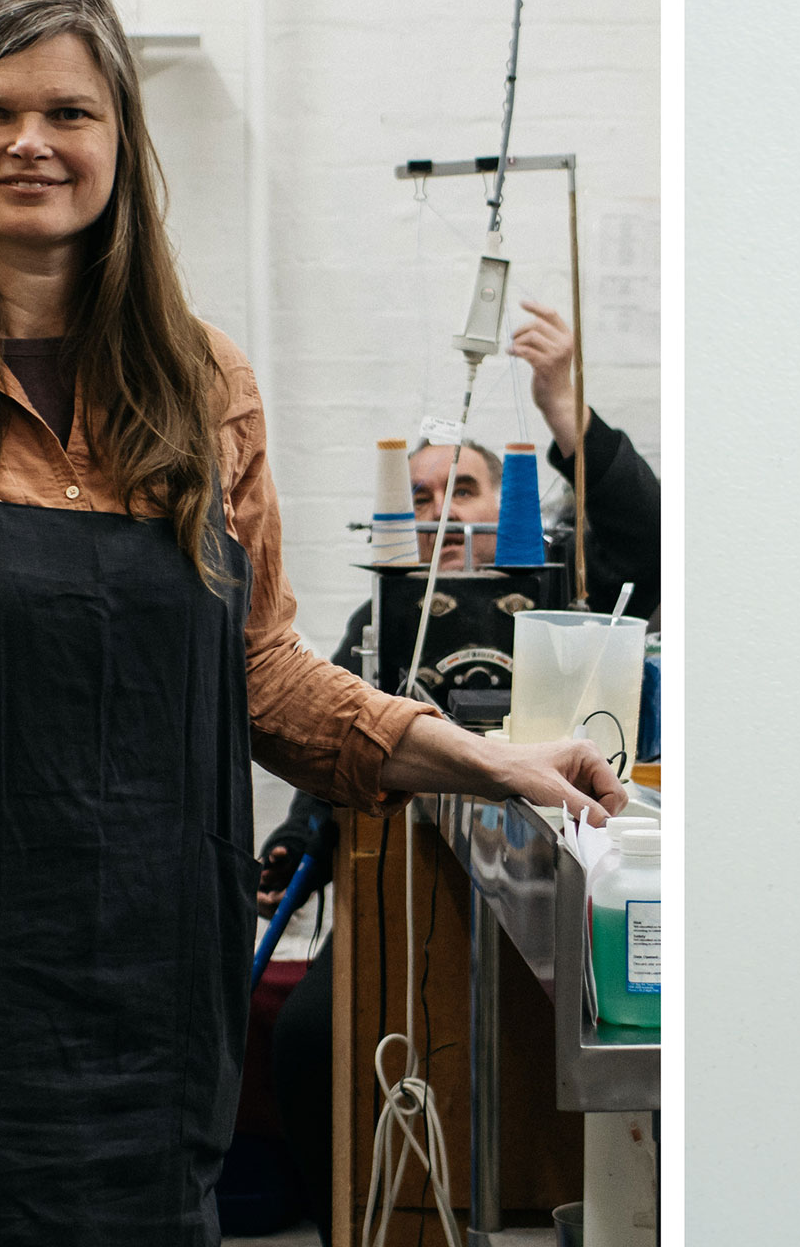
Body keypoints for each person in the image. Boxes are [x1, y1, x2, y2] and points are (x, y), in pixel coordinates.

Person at [0, 0, 631, 1245]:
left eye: (70, 112)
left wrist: (489, 761)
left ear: (120, 140)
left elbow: (264, 677)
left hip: (147, 1032)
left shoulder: (204, 386)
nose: (32, 141)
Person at [263, 297, 663, 1243]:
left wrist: (563, 407)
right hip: (395, 890)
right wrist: (287, 846)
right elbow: (328, 733)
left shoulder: (571, 591)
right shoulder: (382, 620)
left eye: (468, 491)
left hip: (554, 883)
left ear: (514, 504)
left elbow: (645, 537)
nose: (443, 515)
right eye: (425, 496)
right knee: (309, 1042)